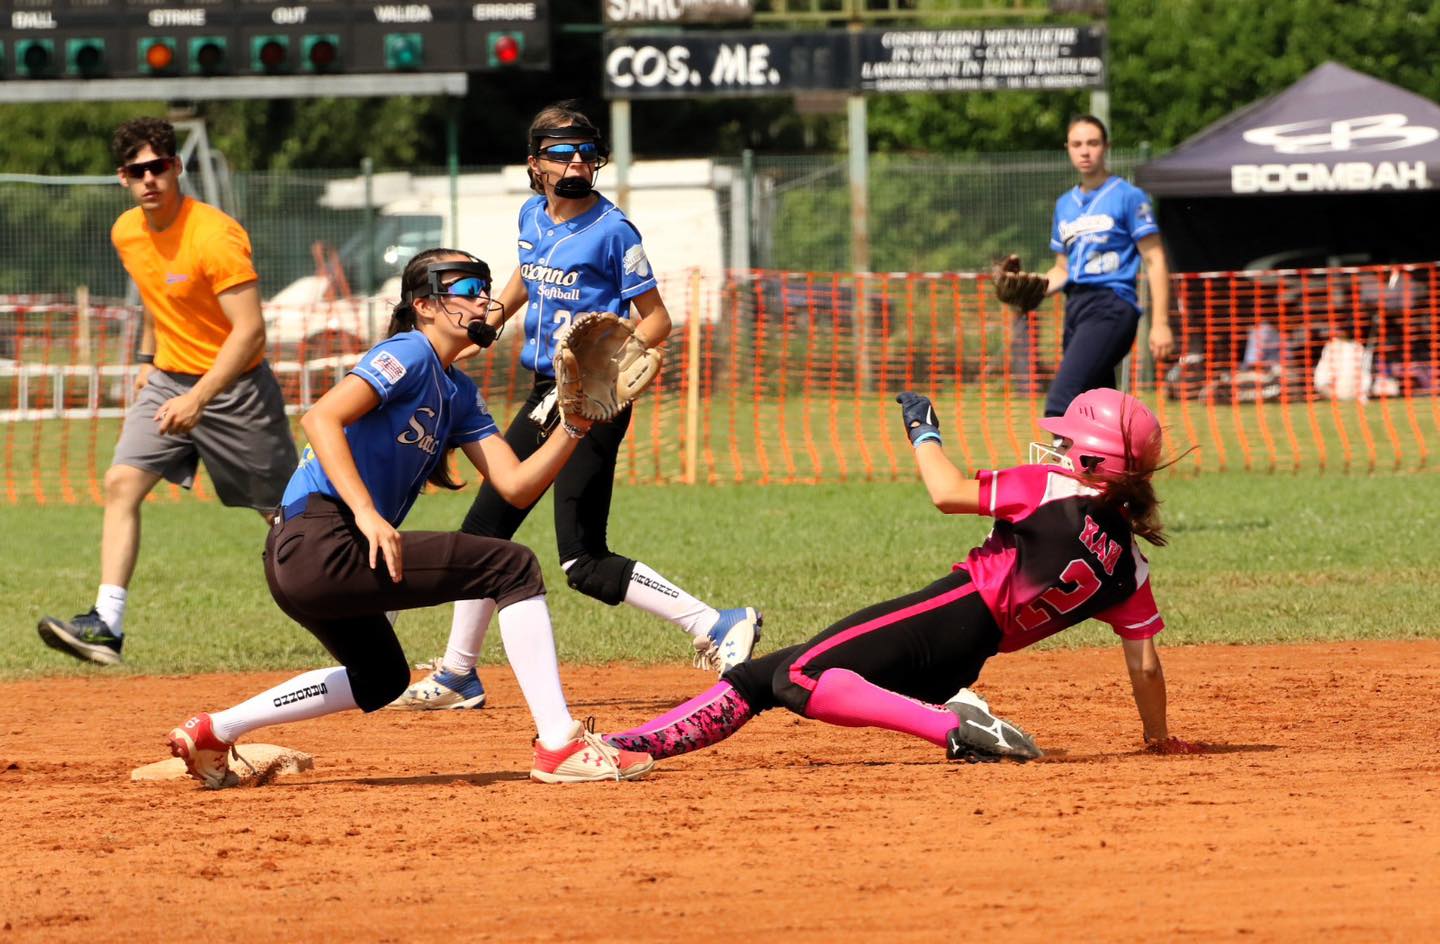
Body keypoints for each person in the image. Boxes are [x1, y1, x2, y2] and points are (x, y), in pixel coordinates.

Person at [165, 249, 655, 788]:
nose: (483, 301)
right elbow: (321, 417)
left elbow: (514, 485)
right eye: (466, 289)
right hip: (321, 538)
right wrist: (368, 514)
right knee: (512, 567)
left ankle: (217, 729)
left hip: (309, 560)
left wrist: (575, 425)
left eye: (484, 288)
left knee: (381, 678)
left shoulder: (459, 393)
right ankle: (560, 743)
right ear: (423, 305)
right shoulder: (410, 352)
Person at [389, 101, 759, 711]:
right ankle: (458, 674)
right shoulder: (532, 214)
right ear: (534, 164)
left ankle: (714, 624)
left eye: (585, 151)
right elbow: (526, 275)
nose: (576, 162)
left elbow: (658, 319)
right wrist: (494, 319)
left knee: (582, 560)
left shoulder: (613, 231)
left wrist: (612, 371)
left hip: (590, 399)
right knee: (486, 531)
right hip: (544, 390)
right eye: (561, 152)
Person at [604, 387, 1198, 765]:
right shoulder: (1130, 564)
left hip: (950, 613)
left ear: (1096, 460)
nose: (1057, 445)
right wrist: (1156, 738)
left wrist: (925, 432)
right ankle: (629, 747)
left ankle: (951, 727)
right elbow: (1145, 666)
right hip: (969, 653)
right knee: (764, 676)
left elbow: (946, 492)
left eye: (1068, 441)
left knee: (801, 677)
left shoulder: (1052, 488)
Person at [37, 117, 297, 665]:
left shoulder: (215, 234)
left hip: (236, 390)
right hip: (168, 380)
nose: (150, 178)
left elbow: (251, 331)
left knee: (288, 518)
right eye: (138, 171)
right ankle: (107, 624)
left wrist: (199, 398)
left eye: (159, 166)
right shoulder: (126, 232)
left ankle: (366, 599)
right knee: (120, 484)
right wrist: (147, 359)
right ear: (123, 179)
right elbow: (159, 298)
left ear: (177, 167)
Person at [1033, 115, 1174, 418]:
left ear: (1106, 147)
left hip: (1112, 305)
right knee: (1095, 410)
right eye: (1077, 144)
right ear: (1068, 148)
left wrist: (1160, 322)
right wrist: (1030, 289)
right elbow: (1062, 269)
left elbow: (1155, 258)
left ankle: (1058, 466)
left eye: (1093, 143)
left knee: (1062, 401)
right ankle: (1113, 465)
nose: (1085, 151)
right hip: (1076, 308)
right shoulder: (1064, 204)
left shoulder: (1127, 196)